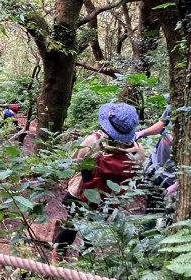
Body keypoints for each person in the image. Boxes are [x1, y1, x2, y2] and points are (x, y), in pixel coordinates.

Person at [52, 102, 145, 259]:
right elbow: (134, 176)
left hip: (81, 192)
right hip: (109, 199)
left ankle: (58, 255)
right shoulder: (138, 152)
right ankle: (86, 263)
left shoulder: (93, 142)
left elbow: (75, 161)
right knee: (93, 229)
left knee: (73, 224)